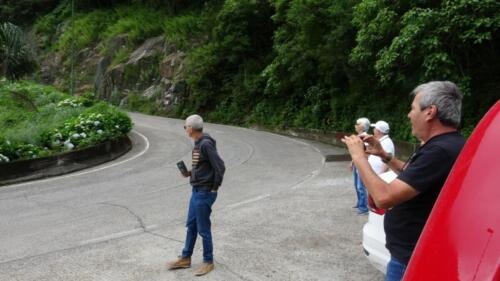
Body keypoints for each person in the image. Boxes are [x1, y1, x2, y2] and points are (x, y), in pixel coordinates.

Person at [342, 81, 465, 281]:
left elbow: (383, 197)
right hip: (417, 254)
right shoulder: (449, 144)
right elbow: (415, 176)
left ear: (430, 112)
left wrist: (358, 157)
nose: (409, 114)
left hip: (412, 259)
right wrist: (384, 155)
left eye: (413, 108)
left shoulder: (439, 151)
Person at [167, 114, 226, 276]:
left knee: (203, 228)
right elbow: (203, 167)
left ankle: (208, 261)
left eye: (185, 126)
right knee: (191, 226)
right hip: (197, 191)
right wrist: (190, 173)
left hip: (204, 192)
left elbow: (220, 167)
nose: (185, 129)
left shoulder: (206, 144)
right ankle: (186, 258)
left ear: (191, 129)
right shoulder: (199, 143)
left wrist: (214, 188)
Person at [351, 117, 371, 215]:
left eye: (357, 124)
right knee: (356, 184)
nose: (355, 125)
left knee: (360, 186)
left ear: (362, 127)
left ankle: (363, 207)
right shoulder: (358, 136)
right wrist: (352, 162)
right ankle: (360, 203)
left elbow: (368, 151)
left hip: (361, 163)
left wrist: (361, 160)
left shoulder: (365, 137)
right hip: (356, 163)